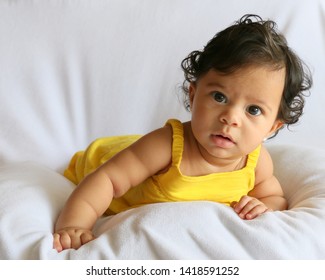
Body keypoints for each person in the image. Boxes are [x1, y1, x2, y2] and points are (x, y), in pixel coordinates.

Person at [53, 14, 312, 252]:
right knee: (122, 160)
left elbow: (274, 197)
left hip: (140, 162)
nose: (230, 118)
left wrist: (265, 206)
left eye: (253, 110)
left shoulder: (256, 162)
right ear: (193, 93)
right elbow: (107, 179)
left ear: (272, 127)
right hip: (105, 163)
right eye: (219, 96)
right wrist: (74, 225)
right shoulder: (167, 145)